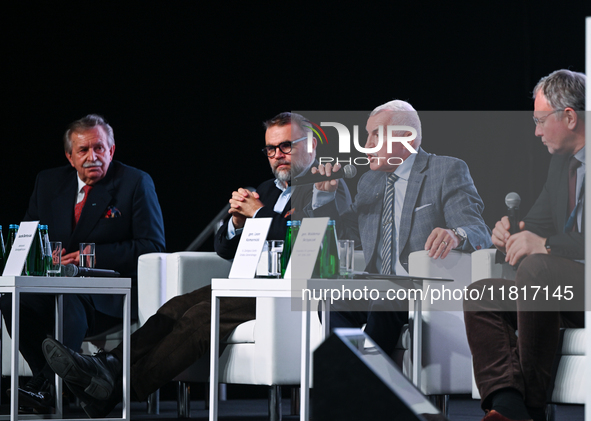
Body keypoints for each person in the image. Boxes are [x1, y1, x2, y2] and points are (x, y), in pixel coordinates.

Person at [40, 112, 352, 418]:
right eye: (270, 149)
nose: (277, 155)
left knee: (202, 315)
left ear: (311, 145)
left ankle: (115, 389)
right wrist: (236, 223)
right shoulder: (268, 190)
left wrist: (259, 214)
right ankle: (107, 366)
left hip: (291, 294)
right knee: (176, 306)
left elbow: (311, 246)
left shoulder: (328, 187)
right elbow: (225, 249)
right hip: (252, 285)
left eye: (286, 146)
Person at [0, 114, 166, 413]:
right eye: (83, 150)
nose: (93, 157)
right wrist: (39, 255)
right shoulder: (48, 182)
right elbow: (29, 237)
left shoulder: (135, 183)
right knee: (11, 299)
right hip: (53, 288)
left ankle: (45, 389)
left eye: (100, 148)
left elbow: (152, 245)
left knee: (70, 298)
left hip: (109, 297)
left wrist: (90, 256)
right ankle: (48, 384)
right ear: (70, 156)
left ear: (111, 150)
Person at [309, 99, 492, 355]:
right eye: (367, 135)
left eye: (376, 135)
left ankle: (365, 384)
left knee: (385, 302)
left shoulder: (446, 170)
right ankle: (353, 377)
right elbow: (348, 236)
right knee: (332, 303)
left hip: (421, 291)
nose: (367, 144)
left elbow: (478, 229)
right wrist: (326, 198)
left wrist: (455, 234)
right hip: (376, 289)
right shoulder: (369, 182)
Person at [464, 69, 586, 421]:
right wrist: (508, 235)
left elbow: (546, 244)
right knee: (480, 294)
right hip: (560, 286)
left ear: (569, 117)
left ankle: (530, 410)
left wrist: (543, 245)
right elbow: (533, 227)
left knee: (536, 267)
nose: (536, 131)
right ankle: (506, 405)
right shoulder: (560, 166)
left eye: (540, 120)